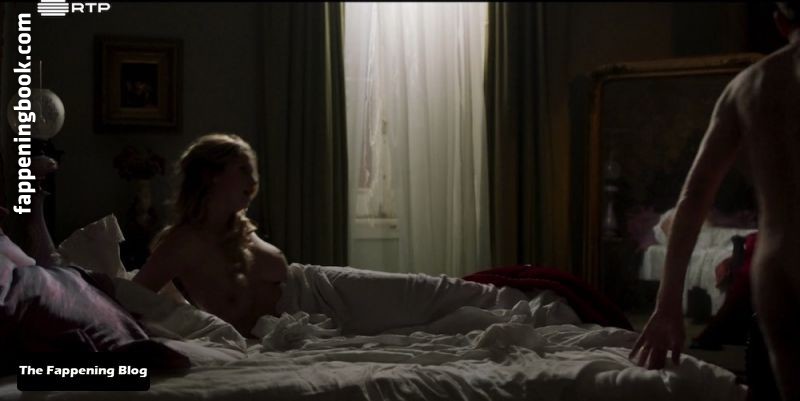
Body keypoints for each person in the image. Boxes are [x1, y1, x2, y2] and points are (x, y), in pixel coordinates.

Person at [133, 133, 537, 338]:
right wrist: (189, 322)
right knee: (428, 314)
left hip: (321, 289)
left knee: (427, 293)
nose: (253, 181)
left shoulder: (234, 227)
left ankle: (534, 301)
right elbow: (136, 297)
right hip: (308, 316)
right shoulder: (180, 243)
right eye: (243, 170)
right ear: (211, 176)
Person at [630, 3, 800, 400]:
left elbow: (693, 198)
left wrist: (667, 305)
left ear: (780, 22)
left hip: (777, 270)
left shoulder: (748, 86)